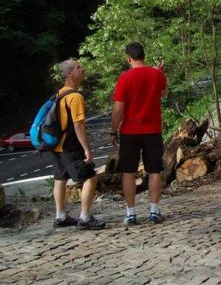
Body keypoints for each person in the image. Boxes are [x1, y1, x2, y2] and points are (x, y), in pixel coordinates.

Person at [111, 43, 168, 224]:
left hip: (130, 131)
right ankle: (154, 211)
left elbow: (118, 108)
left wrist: (113, 130)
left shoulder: (124, 78)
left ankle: (131, 214)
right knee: (154, 171)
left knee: (128, 172)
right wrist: (158, 73)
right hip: (152, 130)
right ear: (144, 55)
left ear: (128, 58)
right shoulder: (157, 74)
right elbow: (164, 93)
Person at [51, 59, 105, 230]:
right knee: (90, 177)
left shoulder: (59, 94)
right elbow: (78, 125)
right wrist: (87, 150)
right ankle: (85, 218)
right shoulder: (75, 96)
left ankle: (60, 217)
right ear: (69, 74)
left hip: (57, 145)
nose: (83, 69)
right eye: (78, 67)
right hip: (71, 146)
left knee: (60, 178)